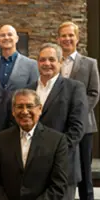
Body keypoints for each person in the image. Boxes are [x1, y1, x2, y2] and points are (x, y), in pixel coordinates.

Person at [27, 43, 88, 200]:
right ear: (37, 62)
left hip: (62, 168)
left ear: (61, 62)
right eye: (42, 60)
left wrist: (52, 155)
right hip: (32, 169)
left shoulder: (75, 88)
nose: (47, 64)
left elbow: (77, 129)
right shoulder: (28, 89)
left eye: (51, 59)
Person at [0, 89, 68, 200]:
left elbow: (59, 185)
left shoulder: (57, 141)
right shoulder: (0, 140)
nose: (25, 111)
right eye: (20, 107)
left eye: (30, 106)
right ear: (13, 111)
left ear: (40, 109)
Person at [57, 21, 100, 200]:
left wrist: (77, 116)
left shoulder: (89, 64)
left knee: (84, 173)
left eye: (70, 35)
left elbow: (94, 93)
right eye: (63, 35)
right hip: (58, 125)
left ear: (77, 38)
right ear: (58, 39)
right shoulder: (53, 62)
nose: (67, 39)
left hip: (84, 127)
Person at [0, 25, 39, 91]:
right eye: (2, 35)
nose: (6, 37)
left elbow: (35, 92)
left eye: (10, 34)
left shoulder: (32, 65)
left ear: (17, 38)